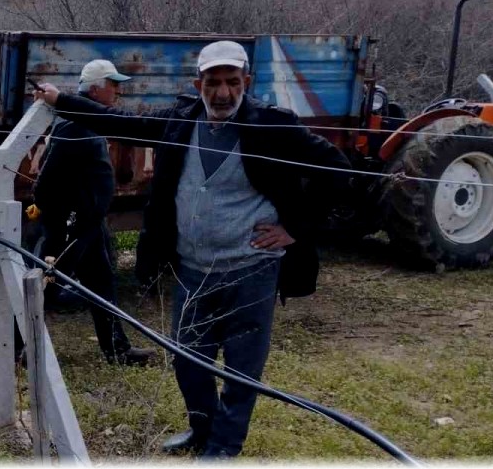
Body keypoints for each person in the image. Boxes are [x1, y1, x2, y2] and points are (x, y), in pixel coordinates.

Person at [34, 41, 351, 458]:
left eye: (232, 83)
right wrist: (63, 100)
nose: (222, 93)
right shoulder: (182, 121)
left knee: (241, 370)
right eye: (214, 83)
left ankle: (222, 449)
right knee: (187, 360)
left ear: (247, 82)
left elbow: (340, 173)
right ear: (198, 83)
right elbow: (119, 122)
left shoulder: (273, 125)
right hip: (192, 269)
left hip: (250, 269)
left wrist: (295, 227)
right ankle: (202, 430)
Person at [32, 60, 158, 367]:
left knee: (102, 284)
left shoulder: (89, 120)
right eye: (112, 84)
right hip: (73, 225)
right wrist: (61, 219)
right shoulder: (75, 125)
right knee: (48, 286)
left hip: (89, 223)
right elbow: (46, 182)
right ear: (95, 88)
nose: (117, 90)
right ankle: (19, 347)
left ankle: (118, 350)